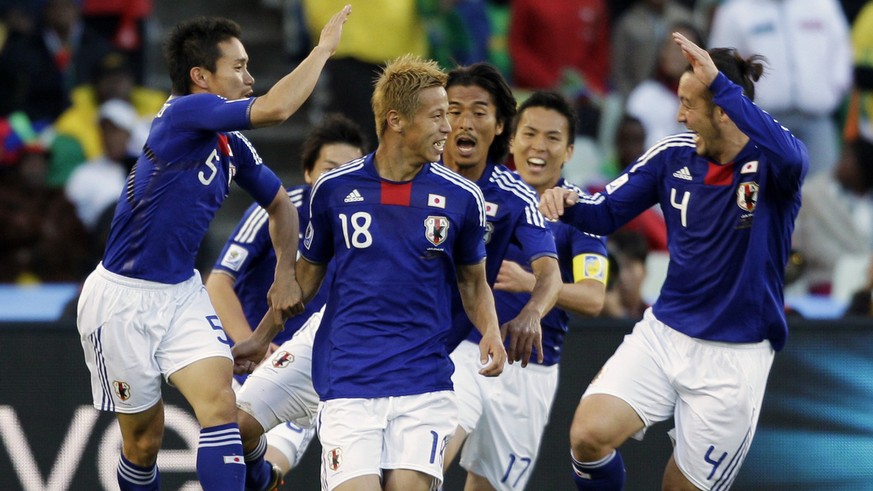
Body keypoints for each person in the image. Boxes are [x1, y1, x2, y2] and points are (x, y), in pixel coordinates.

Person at [74, 7, 351, 491]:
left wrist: (285, 271)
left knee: (223, 408)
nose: (250, 76)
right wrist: (323, 49)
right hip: (120, 300)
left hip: (181, 293)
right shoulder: (184, 112)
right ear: (201, 76)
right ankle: (261, 474)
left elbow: (283, 205)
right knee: (144, 442)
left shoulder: (229, 144)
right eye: (238, 67)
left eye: (249, 65)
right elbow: (277, 108)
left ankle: (258, 476)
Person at [539, 33, 808, 490]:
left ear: (723, 108)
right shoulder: (673, 155)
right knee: (587, 436)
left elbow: (794, 155)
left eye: (689, 103)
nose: (679, 115)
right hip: (665, 335)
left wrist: (721, 84)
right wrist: (568, 202)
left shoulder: (772, 165)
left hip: (734, 357)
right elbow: (605, 212)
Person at [233, 54, 507, 491]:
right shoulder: (334, 190)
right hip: (349, 382)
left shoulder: (461, 197)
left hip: (423, 384)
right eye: (437, 116)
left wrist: (490, 331)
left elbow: (473, 282)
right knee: (235, 427)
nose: (448, 128)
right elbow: (305, 280)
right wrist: (262, 337)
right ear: (396, 120)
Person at [445, 88, 607, 490]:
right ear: (512, 139)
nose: (539, 147)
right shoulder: (481, 189)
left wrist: (531, 284)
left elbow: (593, 298)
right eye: (529, 134)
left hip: (529, 371)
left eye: (552, 138)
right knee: (430, 457)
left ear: (569, 151)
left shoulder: (580, 213)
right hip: (467, 349)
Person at [206, 113, 367, 480]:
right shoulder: (279, 210)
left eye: (352, 169)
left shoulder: (367, 228)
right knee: (230, 452)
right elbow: (217, 283)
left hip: (308, 367)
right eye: (330, 168)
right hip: (248, 362)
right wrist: (255, 344)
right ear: (309, 172)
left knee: (272, 467)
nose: (340, 179)